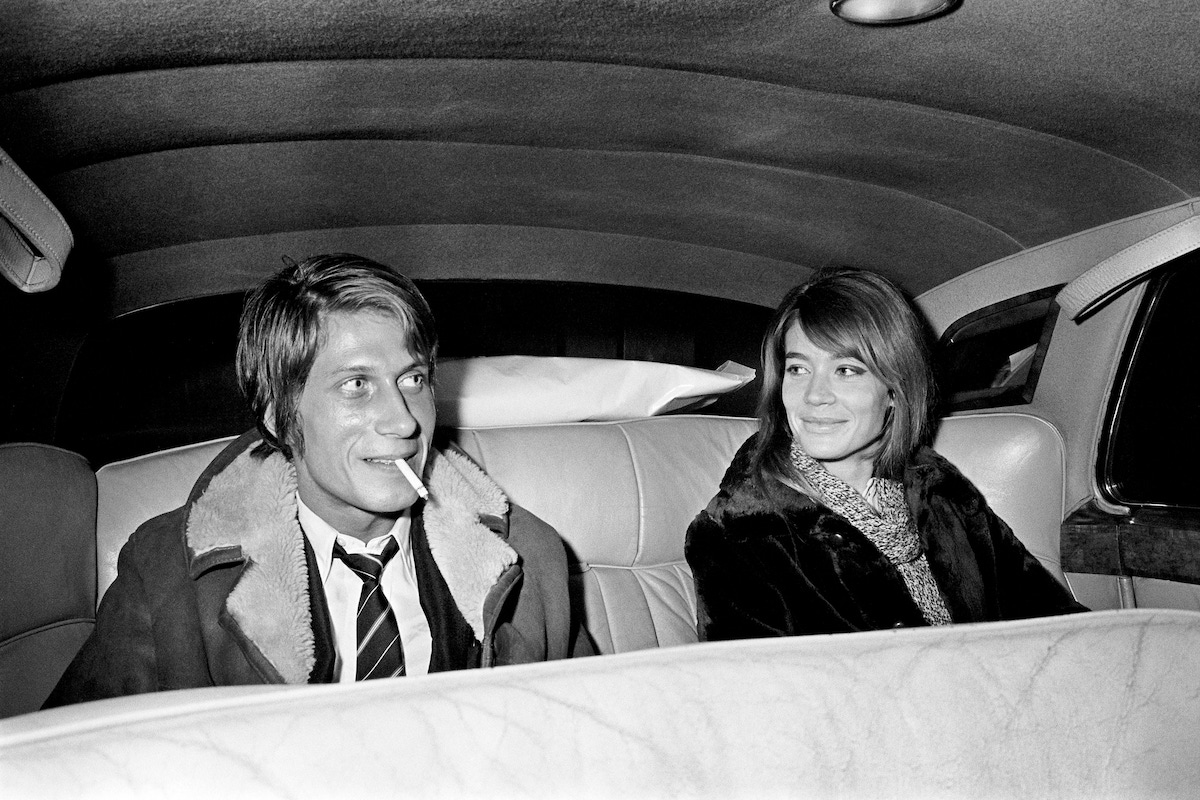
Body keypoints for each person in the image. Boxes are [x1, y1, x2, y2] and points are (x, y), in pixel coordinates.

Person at [46, 253, 591, 706]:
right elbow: (68, 763)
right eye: (356, 384)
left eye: (414, 378)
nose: (404, 421)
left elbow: (598, 741)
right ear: (280, 415)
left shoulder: (527, 556)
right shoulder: (166, 573)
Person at [685, 267, 1086, 640]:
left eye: (846, 370)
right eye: (798, 369)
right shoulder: (737, 535)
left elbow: (1046, 616)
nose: (814, 396)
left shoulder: (938, 487)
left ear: (895, 389)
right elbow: (759, 701)